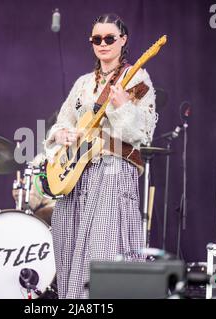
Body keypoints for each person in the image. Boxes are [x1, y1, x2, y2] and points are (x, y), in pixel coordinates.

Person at [44, 14, 158, 299]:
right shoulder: (83, 83)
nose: (103, 44)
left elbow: (143, 133)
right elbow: (62, 122)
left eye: (109, 38)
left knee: (103, 252)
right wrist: (62, 135)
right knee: (67, 248)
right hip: (76, 176)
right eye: (97, 39)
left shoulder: (138, 78)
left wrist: (121, 107)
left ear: (123, 40)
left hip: (111, 172)